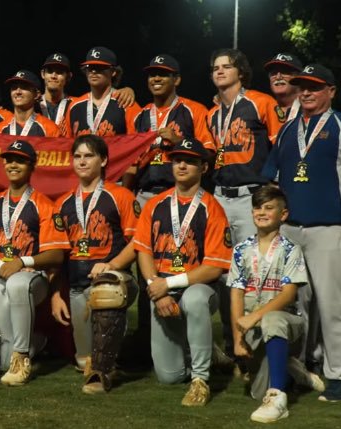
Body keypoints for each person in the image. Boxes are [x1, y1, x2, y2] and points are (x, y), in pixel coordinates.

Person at [261, 64, 341, 402]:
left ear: (331, 91)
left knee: (335, 304)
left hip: (330, 227)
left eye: (314, 86)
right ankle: (302, 367)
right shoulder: (288, 130)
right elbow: (272, 181)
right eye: (302, 86)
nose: (306, 92)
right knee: (295, 303)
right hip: (291, 229)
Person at [133, 138, 232, 406]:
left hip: (198, 286)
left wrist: (170, 284)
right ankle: (205, 350)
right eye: (177, 160)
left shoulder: (213, 208)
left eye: (190, 161)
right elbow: (143, 251)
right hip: (162, 288)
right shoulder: (155, 205)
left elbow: (214, 266)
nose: (182, 165)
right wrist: (156, 287)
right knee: (169, 376)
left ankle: (200, 380)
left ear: (204, 167)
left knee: (194, 299)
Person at [204, 48, 282, 362]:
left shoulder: (262, 102)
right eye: (215, 67)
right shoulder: (212, 114)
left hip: (253, 197)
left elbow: (280, 146)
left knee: (257, 272)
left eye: (227, 66)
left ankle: (260, 345)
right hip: (221, 196)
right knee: (226, 275)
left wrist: (273, 191)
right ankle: (233, 341)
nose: (220, 71)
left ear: (241, 72)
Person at [0, 140, 68, 386]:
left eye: (20, 160)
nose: (13, 164)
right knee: (2, 362)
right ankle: (35, 341)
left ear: (32, 165)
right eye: (9, 159)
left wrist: (21, 262)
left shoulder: (44, 204)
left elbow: (56, 255)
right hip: (0, 275)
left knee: (17, 284)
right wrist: (4, 268)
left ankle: (22, 357)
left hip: (32, 278)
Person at [49, 135, 140, 394]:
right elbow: (57, 255)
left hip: (115, 282)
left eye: (88, 155)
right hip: (77, 288)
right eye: (77, 156)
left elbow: (138, 243)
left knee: (105, 290)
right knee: (82, 361)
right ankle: (105, 358)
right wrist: (56, 294)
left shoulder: (120, 196)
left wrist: (111, 265)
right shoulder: (63, 203)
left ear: (104, 160)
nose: (82, 161)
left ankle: (104, 369)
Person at [225, 186, 324, 422]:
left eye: (269, 208)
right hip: (252, 329)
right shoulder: (241, 250)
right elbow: (236, 295)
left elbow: (288, 295)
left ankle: (279, 399)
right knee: (256, 392)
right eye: (257, 208)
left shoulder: (291, 249)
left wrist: (254, 316)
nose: (261, 212)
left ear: (283, 214)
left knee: (271, 319)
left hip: (286, 323)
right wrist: (238, 340)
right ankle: (293, 370)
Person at [130, 54, 211, 206]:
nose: (156, 79)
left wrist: (179, 142)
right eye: (152, 75)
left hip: (180, 194)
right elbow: (131, 162)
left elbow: (209, 153)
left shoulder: (194, 110)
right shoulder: (139, 116)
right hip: (143, 193)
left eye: (163, 74)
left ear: (177, 80)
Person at [64, 47, 142, 137]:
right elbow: (67, 144)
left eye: (99, 67)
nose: (93, 71)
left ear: (113, 72)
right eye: (90, 67)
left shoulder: (126, 102)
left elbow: (136, 143)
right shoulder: (74, 106)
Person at [0, 70, 59, 137]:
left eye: (24, 87)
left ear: (36, 95)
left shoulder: (50, 129)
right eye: (14, 88)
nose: (18, 92)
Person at [262, 53, 304, 124]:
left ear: (298, 77)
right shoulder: (262, 111)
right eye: (273, 73)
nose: (278, 77)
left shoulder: (310, 109)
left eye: (284, 72)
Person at [39, 53, 74, 128]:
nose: (53, 76)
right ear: (43, 74)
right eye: (50, 71)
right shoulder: (33, 105)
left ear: (68, 77)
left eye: (59, 72)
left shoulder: (75, 106)